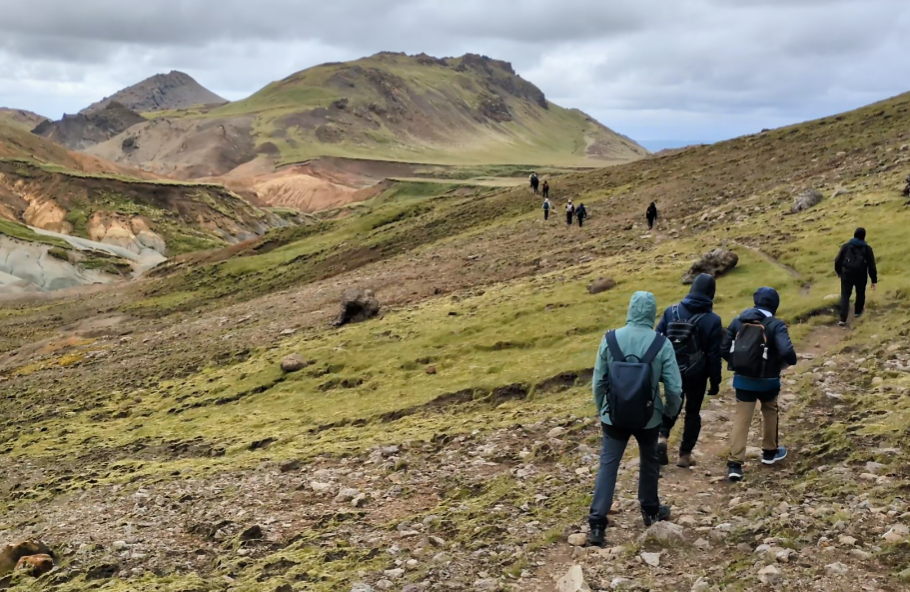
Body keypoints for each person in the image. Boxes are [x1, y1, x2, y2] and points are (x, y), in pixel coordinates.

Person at [588, 292, 683, 547]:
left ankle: (597, 524)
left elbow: (598, 381)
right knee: (649, 462)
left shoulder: (610, 339)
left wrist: (603, 409)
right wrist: (670, 412)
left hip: (614, 416)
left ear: (630, 309)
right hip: (649, 417)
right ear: (652, 313)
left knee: (608, 464)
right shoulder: (661, 343)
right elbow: (674, 388)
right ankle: (650, 511)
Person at [721, 287, 797, 483]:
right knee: (770, 409)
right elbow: (788, 353)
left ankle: (735, 464)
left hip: (743, 379)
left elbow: (723, 347)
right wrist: (779, 365)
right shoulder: (775, 324)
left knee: (742, 416)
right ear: (775, 305)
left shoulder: (738, 321)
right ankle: (770, 452)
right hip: (769, 380)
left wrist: (736, 363)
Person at [655, 274, 724, 468]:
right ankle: (684, 455)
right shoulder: (713, 320)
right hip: (697, 374)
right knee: (693, 412)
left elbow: (657, 340)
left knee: (672, 405)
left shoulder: (671, 311)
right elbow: (713, 355)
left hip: (671, 371)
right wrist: (715, 381)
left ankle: (661, 437)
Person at [835, 227, 878, 327]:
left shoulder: (846, 246)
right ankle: (858, 313)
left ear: (854, 234)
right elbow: (872, 265)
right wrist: (874, 280)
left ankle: (842, 318)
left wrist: (839, 272)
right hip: (861, 274)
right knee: (860, 293)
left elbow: (837, 260)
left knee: (845, 295)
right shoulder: (867, 248)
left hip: (847, 274)